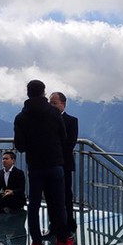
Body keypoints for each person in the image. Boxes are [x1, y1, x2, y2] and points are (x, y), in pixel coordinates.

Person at [14, 80, 74, 245]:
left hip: (35, 167)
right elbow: (63, 136)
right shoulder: (54, 113)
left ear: (28, 93)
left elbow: (20, 146)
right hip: (55, 164)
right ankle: (62, 241)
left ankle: (37, 244)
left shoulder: (21, 117)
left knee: (33, 205)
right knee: (59, 203)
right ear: (43, 93)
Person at [49, 92, 78, 234]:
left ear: (63, 104)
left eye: (54, 103)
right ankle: (53, 226)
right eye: (50, 103)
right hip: (49, 165)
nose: (51, 105)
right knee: (51, 197)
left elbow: (70, 144)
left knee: (66, 195)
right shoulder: (46, 120)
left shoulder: (72, 121)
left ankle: (69, 225)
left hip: (64, 164)